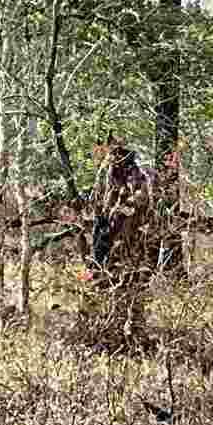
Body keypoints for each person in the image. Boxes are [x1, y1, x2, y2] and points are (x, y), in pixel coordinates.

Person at [86, 140, 156, 345]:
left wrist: (123, 209)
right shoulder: (108, 176)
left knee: (131, 282)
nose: (112, 161)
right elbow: (97, 203)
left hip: (130, 242)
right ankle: (107, 326)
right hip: (109, 240)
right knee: (103, 277)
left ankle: (133, 330)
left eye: (116, 157)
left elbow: (140, 200)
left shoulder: (136, 177)